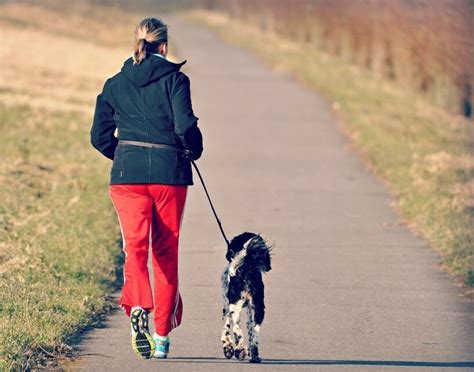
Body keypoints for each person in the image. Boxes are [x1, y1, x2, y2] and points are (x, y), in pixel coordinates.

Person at [90, 17, 203, 360]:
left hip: (127, 176)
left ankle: (139, 304)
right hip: (170, 176)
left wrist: (124, 154)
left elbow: (99, 137)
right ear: (164, 46)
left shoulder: (113, 84)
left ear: (135, 44)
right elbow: (185, 126)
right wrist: (193, 150)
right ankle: (162, 337)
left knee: (135, 250)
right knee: (165, 255)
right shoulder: (176, 80)